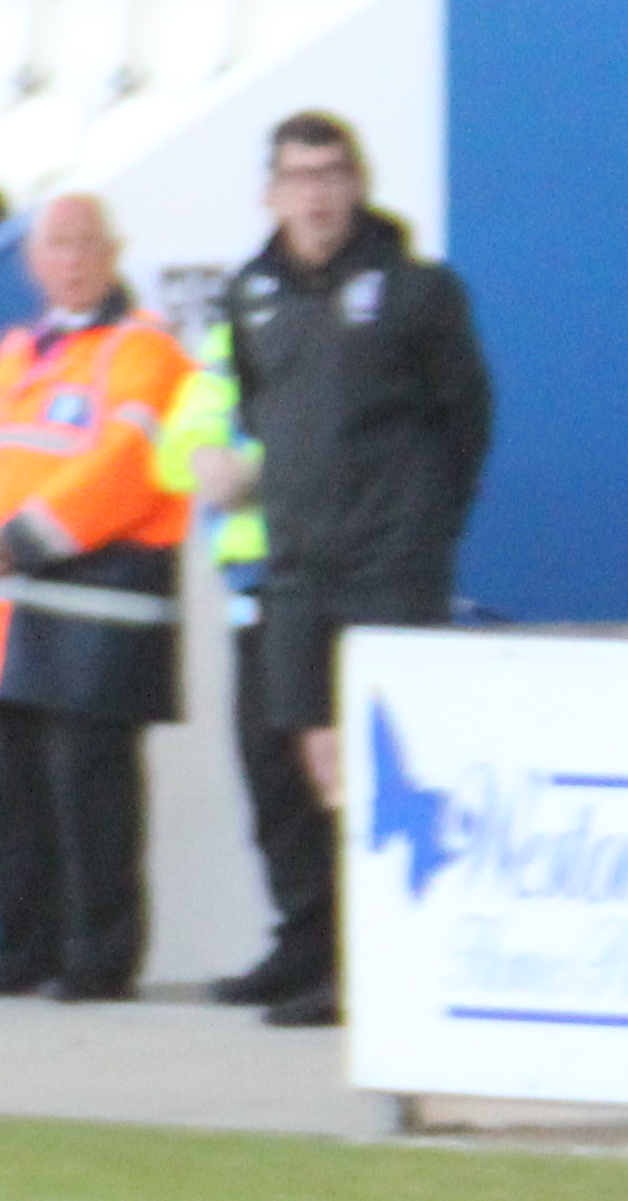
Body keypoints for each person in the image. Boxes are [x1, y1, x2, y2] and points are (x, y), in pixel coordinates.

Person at [184, 114, 495, 1025]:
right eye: (298, 176)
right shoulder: (252, 293)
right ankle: (325, 951)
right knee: (314, 763)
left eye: (332, 174)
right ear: (269, 190)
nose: (316, 194)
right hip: (296, 569)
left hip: (388, 568)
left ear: (358, 182)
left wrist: (422, 529)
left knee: (381, 766)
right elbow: (254, 413)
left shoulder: (417, 290)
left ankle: (377, 970)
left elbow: (466, 418)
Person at [0, 192, 192, 1001]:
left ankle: (99, 958)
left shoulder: (145, 349)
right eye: (55, 246)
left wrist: (23, 538)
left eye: (84, 244)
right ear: (32, 263)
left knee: (92, 795)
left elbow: (126, 461)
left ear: (112, 251)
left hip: (99, 610)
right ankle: (22, 948)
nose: (70, 259)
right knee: (11, 795)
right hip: (8, 610)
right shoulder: (9, 356)